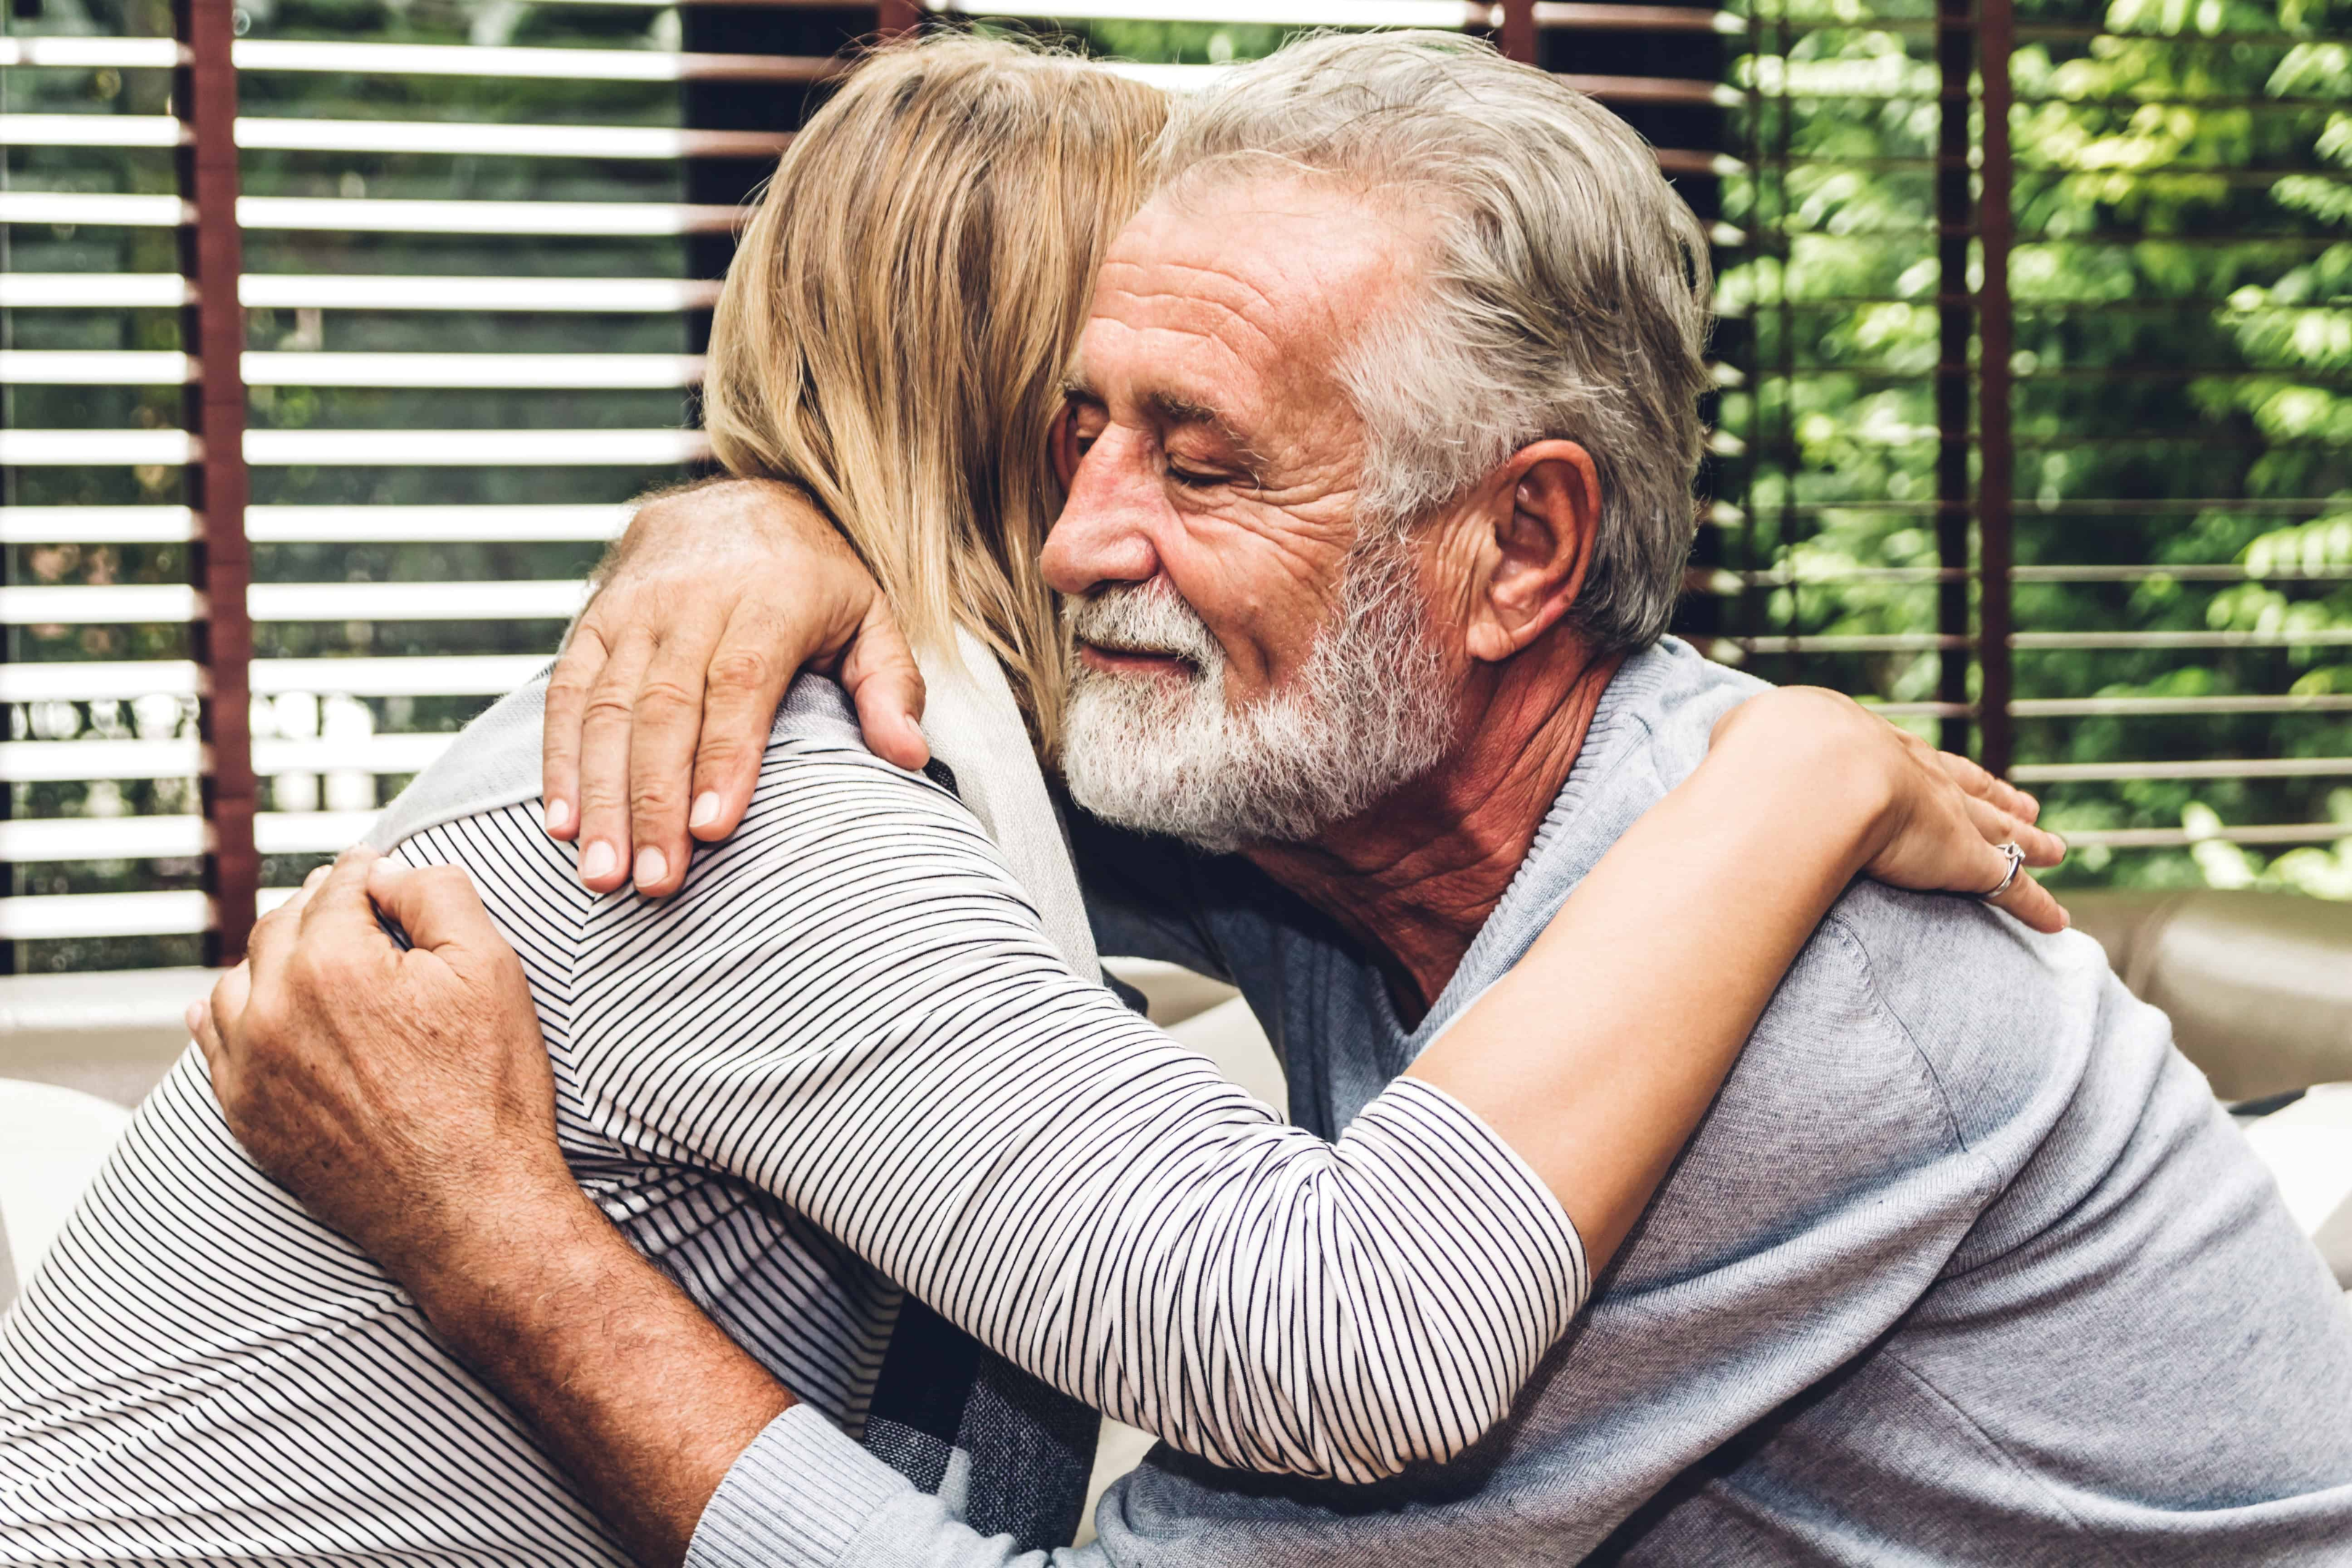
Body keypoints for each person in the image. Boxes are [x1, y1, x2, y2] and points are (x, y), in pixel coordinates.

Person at [203, 28, 2352, 1568]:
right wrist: (770, 515)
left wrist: (503, 1246)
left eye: (1203, 458)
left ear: (1517, 551)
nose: (1074, 546)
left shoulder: (1788, 999)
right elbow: (973, 657)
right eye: (1070, 444)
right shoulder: (1309, 778)